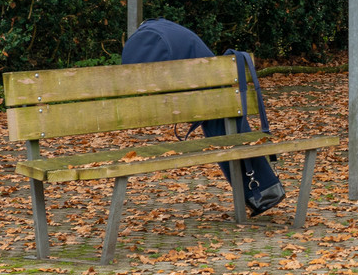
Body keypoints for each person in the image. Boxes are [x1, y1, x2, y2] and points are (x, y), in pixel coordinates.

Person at [120, 18, 285, 215]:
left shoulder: (151, 36)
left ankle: (259, 192)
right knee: (226, 127)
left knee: (224, 128)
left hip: (206, 95)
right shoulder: (164, 32)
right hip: (212, 92)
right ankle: (261, 191)